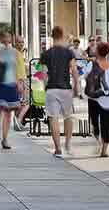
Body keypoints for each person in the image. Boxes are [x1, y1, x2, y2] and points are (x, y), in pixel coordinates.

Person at [40, 26, 79, 158]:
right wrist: (76, 87)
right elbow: (74, 71)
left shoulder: (46, 54)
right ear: (62, 36)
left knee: (53, 118)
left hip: (52, 89)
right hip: (66, 89)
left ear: (52, 36)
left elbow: (44, 74)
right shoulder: (69, 53)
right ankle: (68, 144)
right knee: (68, 117)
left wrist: (45, 87)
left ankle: (58, 149)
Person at [0, 32, 22, 150]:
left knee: (7, 114)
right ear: (1, 38)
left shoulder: (14, 52)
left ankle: (5, 138)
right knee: (2, 110)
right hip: (1, 84)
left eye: (9, 36)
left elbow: (16, 67)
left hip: (11, 84)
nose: (7, 38)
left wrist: (19, 82)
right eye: (5, 36)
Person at [86, 42, 109, 157]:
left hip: (94, 98)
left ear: (97, 52)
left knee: (95, 122)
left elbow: (85, 77)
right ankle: (104, 150)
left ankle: (97, 142)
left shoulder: (91, 65)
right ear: (108, 53)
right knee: (107, 124)